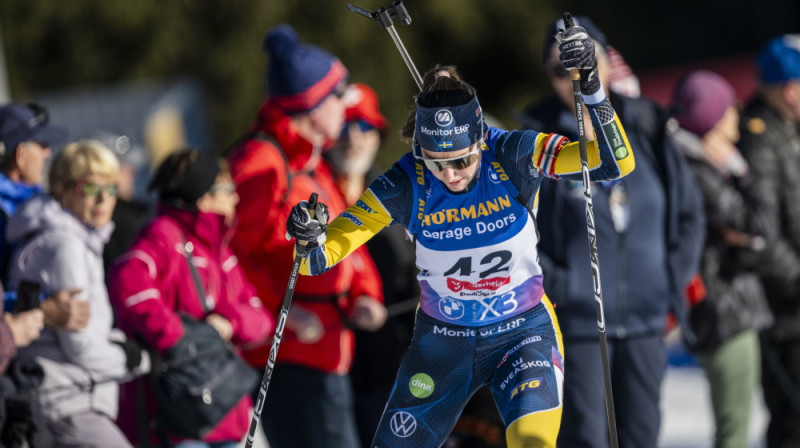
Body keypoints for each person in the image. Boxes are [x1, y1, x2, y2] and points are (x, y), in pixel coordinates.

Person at [285, 17, 637, 446]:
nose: (450, 174)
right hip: (443, 344)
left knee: (533, 443)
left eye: (462, 161)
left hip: (522, 331)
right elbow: (319, 257)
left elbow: (614, 164)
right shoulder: (406, 181)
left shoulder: (512, 153)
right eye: (436, 162)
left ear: (481, 139)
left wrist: (593, 88)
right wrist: (309, 235)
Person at [515, 16, 705, 448]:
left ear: (605, 61)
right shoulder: (536, 140)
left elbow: (690, 214)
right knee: (586, 437)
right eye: (561, 69)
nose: (575, 77)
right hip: (576, 325)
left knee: (640, 434)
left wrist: (668, 280)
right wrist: (565, 285)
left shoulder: (646, 123)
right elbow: (518, 231)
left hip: (644, 320)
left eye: (585, 62)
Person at [226, 24, 386, 448]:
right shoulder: (263, 164)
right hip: (292, 357)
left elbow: (345, 239)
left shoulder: (309, 161)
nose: (344, 107)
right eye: (338, 95)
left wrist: (366, 294)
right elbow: (231, 257)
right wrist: (284, 313)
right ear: (311, 104)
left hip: (329, 350)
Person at [108, 148, 272, 448]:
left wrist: (228, 322)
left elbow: (261, 319)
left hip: (225, 412)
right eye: (228, 190)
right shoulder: (164, 236)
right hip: (180, 421)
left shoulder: (219, 250)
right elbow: (127, 281)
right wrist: (176, 338)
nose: (236, 198)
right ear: (205, 197)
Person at [5, 139, 148, 447]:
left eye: (110, 189)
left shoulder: (78, 240)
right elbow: (78, 345)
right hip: (67, 400)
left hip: (71, 397)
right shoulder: (66, 246)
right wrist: (132, 360)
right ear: (62, 190)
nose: (103, 200)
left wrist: (119, 345)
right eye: (90, 188)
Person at [670, 69, 773, 448]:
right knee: (735, 430)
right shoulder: (701, 172)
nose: (738, 113)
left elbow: (751, 232)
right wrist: (740, 169)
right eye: (729, 107)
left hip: (725, 308)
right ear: (711, 118)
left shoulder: (696, 167)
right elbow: (760, 223)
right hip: (725, 311)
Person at [327, 82, 419, 448]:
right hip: (331, 364)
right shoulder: (311, 192)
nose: (353, 138)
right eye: (345, 126)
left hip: (392, 365)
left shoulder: (397, 193)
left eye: (364, 127)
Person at [737, 34, 800, 448]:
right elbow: (761, 234)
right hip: (785, 311)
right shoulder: (760, 136)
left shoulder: (787, 130)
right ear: (791, 89)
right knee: (792, 419)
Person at [1, 102, 67, 281]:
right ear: (20, 155)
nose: (48, 153)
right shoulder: (3, 213)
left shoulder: (36, 201)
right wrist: (43, 307)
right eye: (42, 145)